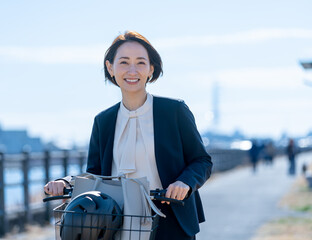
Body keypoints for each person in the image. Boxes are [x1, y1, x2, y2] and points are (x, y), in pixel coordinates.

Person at [44, 31, 213, 239]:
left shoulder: (174, 111)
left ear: (151, 69)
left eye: (140, 63)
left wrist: (184, 183)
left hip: (171, 218)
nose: (132, 70)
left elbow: (202, 161)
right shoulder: (103, 121)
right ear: (110, 68)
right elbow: (94, 172)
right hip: (115, 220)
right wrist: (66, 181)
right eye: (124, 62)